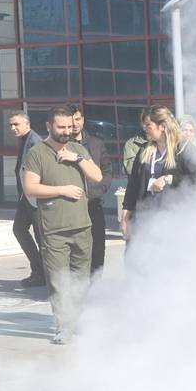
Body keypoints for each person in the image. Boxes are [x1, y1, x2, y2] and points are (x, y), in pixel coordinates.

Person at [21, 106, 104, 344]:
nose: (67, 131)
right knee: (59, 280)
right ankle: (63, 326)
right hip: (54, 229)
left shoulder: (77, 148)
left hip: (82, 226)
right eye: (61, 127)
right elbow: (30, 188)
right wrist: (61, 190)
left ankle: (78, 322)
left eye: (70, 126)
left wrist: (76, 159)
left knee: (80, 278)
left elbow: (97, 176)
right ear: (49, 126)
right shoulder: (37, 153)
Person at [121, 105, 196, 240]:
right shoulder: (145, 150)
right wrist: (125, 216)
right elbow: (133, 185)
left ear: (162, 126)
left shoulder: (184, 149)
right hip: (145, 217)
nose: (145, 129)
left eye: (148, 125)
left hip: (174, 220)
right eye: (144, 125)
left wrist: (170, 179)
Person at [69, 104, 109, 275]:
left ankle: (95, 284)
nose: (75, 124)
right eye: (71, 121)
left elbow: (107, 171)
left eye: (78, 119)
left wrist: (100, 190)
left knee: (97, 246)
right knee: (75, 247)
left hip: (94, 203)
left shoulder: (96, 144)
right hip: (71, 205)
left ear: (83, 120)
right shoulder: (63, 146)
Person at [9, 111, 45, 287]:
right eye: (11, 125)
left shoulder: (35, 142)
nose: (13, 128)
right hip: (26, 198)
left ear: (27, 124)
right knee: (19, 229)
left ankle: (43, 273)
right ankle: (39, 269)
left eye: (16, 124)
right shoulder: (25, 140)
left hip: (36, 199)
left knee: (41, 238)